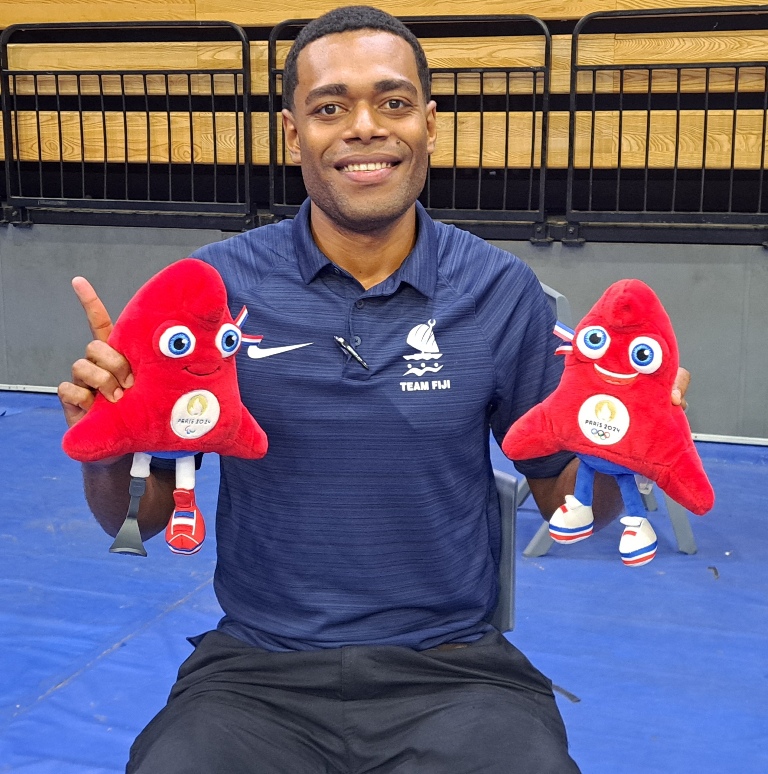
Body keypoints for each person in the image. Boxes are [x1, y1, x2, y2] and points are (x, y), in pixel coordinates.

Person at [58, 6, 689, 773]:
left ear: (428, 124)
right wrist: (105, 443)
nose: (365, 127)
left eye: (393, 103)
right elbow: (142, 520)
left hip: (456, 673)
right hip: (259, 673)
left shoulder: (499, 290)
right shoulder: (213, 288)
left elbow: (568, 507)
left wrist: (622, 451)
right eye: (330, 107)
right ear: (294, 134)